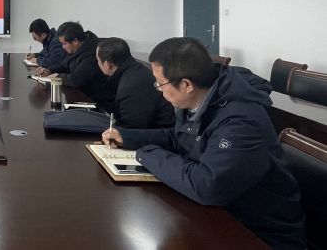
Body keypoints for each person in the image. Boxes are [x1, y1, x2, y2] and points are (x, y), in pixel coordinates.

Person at [102, 37, 304, 250]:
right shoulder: (202, 98)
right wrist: (128, 137)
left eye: (160, 83)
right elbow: (178, 137)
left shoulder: (242, 120)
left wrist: (147, 154)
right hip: (221, 217)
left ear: (186, 85)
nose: (158, 89)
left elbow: (207, 185)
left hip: (260, 235)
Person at [95, 37, 175, 129]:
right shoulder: (132, 68)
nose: (97, 63)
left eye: (98, 60)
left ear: (108, 65)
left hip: (156, 133)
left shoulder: (131, 86)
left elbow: (131, 128)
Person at [37, 21, 113, 105]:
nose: (63, 47)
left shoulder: (92, 53)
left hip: (93, 101)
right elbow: (64, 65)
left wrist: (57, 76)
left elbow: (75, 80)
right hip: (78, 95)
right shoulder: (76, 48)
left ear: (75, 41)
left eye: (64, 43)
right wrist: (49, 70)